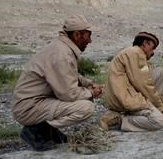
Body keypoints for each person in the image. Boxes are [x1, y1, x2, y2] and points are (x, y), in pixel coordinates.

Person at [12, 15, 103, 151]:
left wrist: (88, 83)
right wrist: (91, 92)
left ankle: (49, 131)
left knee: (84, 99)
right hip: (29, 107)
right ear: (77, 35)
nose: (90, 40)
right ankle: (37, 131)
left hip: (34, 102)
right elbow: (69, 94)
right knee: (86, 107)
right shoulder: (62, 54)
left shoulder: (61, 48)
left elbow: (70, 75)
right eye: (88, 35)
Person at [100, 32, 163, 131]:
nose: (153, 52)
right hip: (124, 100)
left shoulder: (132, 54)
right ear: (145, 43)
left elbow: (151, 88)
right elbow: (144, 85)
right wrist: (159, 107)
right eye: (152, 48)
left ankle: (133, 114)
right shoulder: (137, 53)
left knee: (159, 72)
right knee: (161, 122)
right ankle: (121, 120)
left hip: (125, 97)